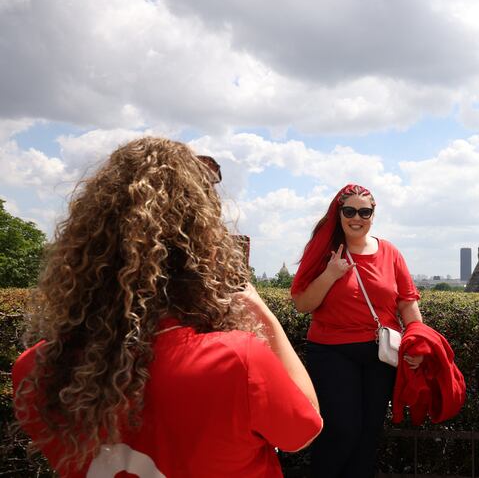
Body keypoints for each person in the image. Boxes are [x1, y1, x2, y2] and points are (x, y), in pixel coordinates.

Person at [12, 137, 322, 477]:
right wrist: (262, 312)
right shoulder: (235, 361)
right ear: (201, 251)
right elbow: (304, 430)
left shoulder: (35, 370)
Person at [291, 183, 423, 478]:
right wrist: (330, 274)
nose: (357, 217)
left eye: (365, 211)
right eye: (349, 211)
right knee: (342, 430)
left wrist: (418, 343)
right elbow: (302, 304)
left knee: (368, 433)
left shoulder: (390, 252)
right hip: (332, 352)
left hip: (380, 355)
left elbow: (407, 304)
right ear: (338, 213)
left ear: (373, 214)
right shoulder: (323, 252)